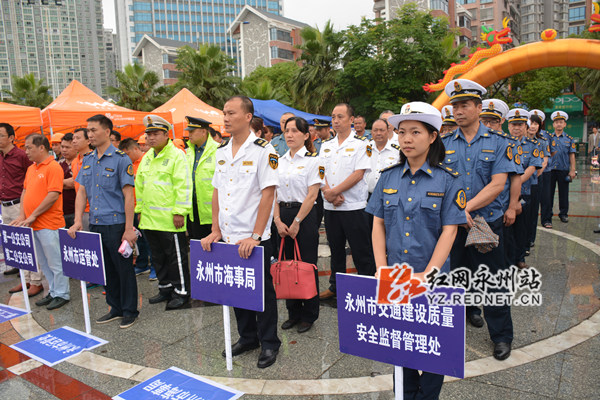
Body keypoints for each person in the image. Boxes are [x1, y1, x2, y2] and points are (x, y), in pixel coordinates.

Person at [367, 102, 466, 400]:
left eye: (415, 132)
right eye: (402, 132)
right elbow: (378, 225)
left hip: (433, 278)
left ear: (433, 136)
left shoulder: (448, 179)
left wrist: (429, 274)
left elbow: (450, 230)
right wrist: (382, 268)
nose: (406, 139)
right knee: (401, 342)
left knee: (434, 346)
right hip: (395, 276)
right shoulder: (388, 177)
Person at [200, 95, 281, 369]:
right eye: (224, 112)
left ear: (247, 117)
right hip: (229, 236)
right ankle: (248, 337)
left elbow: (268, 194)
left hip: (253, 238)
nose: (225, 117)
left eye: (231, 113)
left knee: (262, 293)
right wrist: (215, 230)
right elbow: (217, 192)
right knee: (235, 289)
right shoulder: (221, 151)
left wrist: (256, 236)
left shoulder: (264, 150)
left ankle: (269, 342)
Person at [442, 79, 516, 360]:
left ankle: (501, 337)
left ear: (478, 107)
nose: (458, 111)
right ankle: (453, 326)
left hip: (486, 223)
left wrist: (466, 208)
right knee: (454, 278)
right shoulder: (444, 143)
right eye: (455, 106)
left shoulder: (498, 143)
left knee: (493, 281)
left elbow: (498, 184)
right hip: (454, 224)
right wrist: (456, 213)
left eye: (464, 105)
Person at [68, 114, 139, 329]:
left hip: (116, 224)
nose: (90, 134)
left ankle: (129, 310)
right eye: (88, 131)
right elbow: (81, 192)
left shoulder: (120, 159)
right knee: (106, 269)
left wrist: (129, 229)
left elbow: (129, 196)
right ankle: (114, 307)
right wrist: (78, 220)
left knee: (123, 269)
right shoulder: (88, 160)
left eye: (93, 130)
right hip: (97, 223)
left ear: (107, 132)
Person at [318, 103, 376, 300]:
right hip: (331, 207)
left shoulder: (362, 144)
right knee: (335, 250)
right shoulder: (326, 146)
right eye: (333, 116)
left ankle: (367, 289)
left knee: (361, 251)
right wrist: (328, 192)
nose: (335, 120)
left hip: (354, 207)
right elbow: (320, 173)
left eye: (340, 116)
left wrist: (334, 192)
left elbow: (359, 174)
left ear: (351, 120)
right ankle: (335, 288)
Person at [135, 115, 192, 310]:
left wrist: (180, 212)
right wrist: (139, 210)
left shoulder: (177, 155)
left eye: (155, 134)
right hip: (150, 219)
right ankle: (165, 287)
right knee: (158, 257)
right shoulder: (147, 157)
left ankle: (182, 291)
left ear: (166, 135)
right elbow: (140, 186)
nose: (150, 138)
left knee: (176, 257)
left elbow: (183, 186)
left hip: (170, 219)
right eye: (148, 134)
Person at [273, 116, 323, 334]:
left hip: (304, 215)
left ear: (306, 135)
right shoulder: (278, 160)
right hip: (282, 214)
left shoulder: (314, 161)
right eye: (287, 131)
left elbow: (312, 195)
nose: (290, 135)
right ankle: (293, 312)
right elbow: (272, 193)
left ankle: (309, 314)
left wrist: (296, 222)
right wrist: (276, 220)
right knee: (285, 264)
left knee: (306, 265)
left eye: (295, 131)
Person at [13, 134, 69, 309]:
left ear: (41, 147)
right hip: (33, 224)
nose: (26, 151)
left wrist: (33, 215)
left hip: (49, 223)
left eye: (29, 147)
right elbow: (25, 192)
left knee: (55, 261)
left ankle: (62, 293)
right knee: (44, 262)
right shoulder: (32, 168)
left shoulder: (53, 167)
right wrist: (23, 215)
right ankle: (52, 291)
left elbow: (53, 195)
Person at [479, 99, 523, 271]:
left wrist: (512, 206)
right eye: (485, 121)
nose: (488, 125)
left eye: (493, 121)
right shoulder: (473, 142)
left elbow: (516, 177)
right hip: (477, 206)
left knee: (502, 248)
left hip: (500, 205)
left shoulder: (509, 143)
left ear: (502, 121)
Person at [0, 123, 41, 292]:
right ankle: (25, 280)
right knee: (15, 245)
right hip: (5, 205)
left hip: (20, 204)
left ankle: (36, 282)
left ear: (11, 137)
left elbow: (31, 178)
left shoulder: (21, 155)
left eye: (1, 135)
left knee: (28, 243)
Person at [506, 109, 542, 268]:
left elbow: (533, 166)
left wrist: (517, 182)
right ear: (508, 125)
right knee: (506, 227)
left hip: (525, 191)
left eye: (520, 124)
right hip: (504, 193)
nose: (516, 128)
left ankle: (519, 258)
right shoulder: (502, 142)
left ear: (526, 126)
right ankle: (506, 258)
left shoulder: (533, 145)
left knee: (522, 227)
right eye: (513, 124)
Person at [118, 138, 156, 281]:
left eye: (127, 153)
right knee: (137, 239)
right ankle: (142, 264)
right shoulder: (127, 164)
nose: (126, 157)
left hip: (145, 207)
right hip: (131, 207)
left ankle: (154, 267)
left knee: (148, 239)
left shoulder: (147, 161)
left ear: (135, 149)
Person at [185, 116, 219, 240]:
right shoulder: (188, 152)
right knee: (198, 250)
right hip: (193, 212)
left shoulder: (218, 150)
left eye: (192, 131)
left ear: (204, 132)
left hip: (213, 213)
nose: (189, 135)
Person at [526, 113, 549, 252]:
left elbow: (544, 161)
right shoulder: (517, 141)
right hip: (519, 182)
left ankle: (530, 239)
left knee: (533, 211)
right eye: (531, 123)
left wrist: (534, 174)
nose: (533, 126)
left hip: (535, 181)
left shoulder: (542, 141)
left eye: (536, 124)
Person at [548, 111, 576, 224]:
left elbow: (572, 155)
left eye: (561, 122)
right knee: (548, 194)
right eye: (556, 122)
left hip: (563, 169)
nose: (559, 124)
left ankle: (563, 214)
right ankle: (548, 213)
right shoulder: (548, 138)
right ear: (553, 125)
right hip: (549, 170)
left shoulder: (569, 139)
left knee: (564, 194)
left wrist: (573, 170)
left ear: (565, 124)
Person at [366, 119, 400, 198]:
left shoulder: (397, 151)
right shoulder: (365, 148)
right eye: (375, 130)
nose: (378, 133)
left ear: (388, 131)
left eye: (381, 130)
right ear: (371, 132)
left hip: (389, 196)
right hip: (367, 196)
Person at [71, 127, 93, 231]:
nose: (74, 141)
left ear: (88, 141)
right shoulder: (75, 161)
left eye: (78, 138)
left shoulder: (95, 159)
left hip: (93, 210)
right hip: (81, 210)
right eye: (73, 138)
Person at [58, 133, 77, 227]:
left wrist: (56, 184)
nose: (64, 150)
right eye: (62, 147)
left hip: (75, 211)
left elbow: (74, 183)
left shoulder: (79, 163)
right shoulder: (58, 164)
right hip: (60, 212)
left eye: (68, 147)